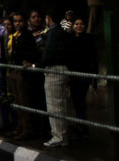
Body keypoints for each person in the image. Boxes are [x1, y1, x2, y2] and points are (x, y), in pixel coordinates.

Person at [39, 9, 72, 147]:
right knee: (60, 104)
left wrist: (37, 64)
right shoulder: (59, 32)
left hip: (54, 70)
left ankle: (58, 136)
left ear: (48, 18)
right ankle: (62, 135)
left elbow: (49, 54)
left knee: (54, 106)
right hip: (61, 69)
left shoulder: (53, 32)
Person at [6, 12, 39, 139]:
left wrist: (28, 61)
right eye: (15, 21)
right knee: (17, 101)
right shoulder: (14, 36)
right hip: (14, 70)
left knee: (24, 102)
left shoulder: (27, 36)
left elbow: (33, 53)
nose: (17, 23)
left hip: (23, 73)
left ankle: (27, 129)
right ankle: (19, 126)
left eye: (20, 21)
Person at [68, 16, 97, 137]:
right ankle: (80, 124)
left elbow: (93, 58)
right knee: (76, 100)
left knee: (80, 100)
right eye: (76, 24)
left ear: (84, 26)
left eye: (81, 24)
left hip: (84, 75)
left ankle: (83, 126)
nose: (79, 26)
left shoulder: (89, 39)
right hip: (73, 75)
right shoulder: (70, 39)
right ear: (73, 26)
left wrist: (94, 78)